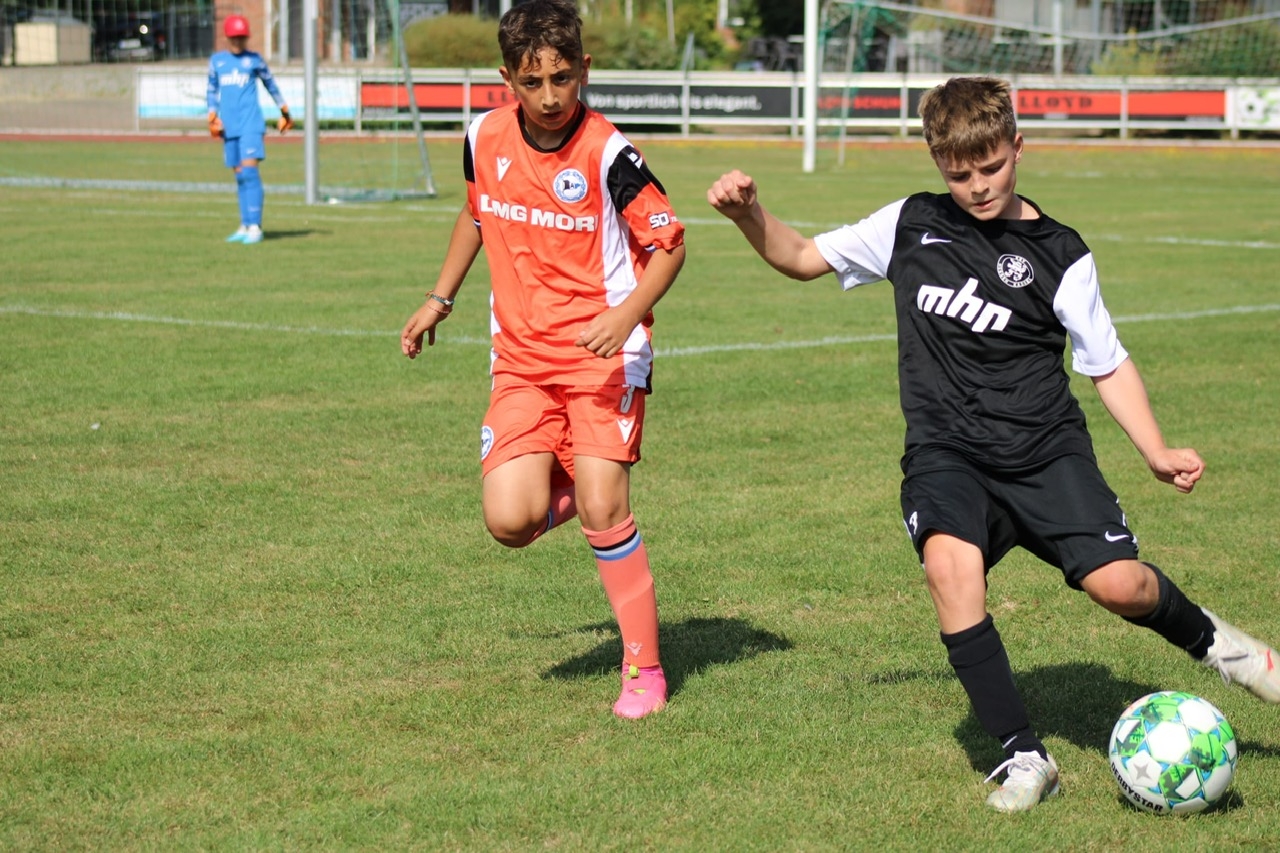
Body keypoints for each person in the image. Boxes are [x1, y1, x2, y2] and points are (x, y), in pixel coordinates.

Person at [707, 76, 1279, 811]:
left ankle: (1232, 652)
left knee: (1121, 586)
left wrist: (1156, 450)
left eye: (991, 166)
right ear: (937, 163)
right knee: (950, 569)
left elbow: (1105, 361)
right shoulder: (910, 223)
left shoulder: (1060, 253)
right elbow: (800, 256)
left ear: (1018, 147)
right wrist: (749, 215)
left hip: (1044, 452)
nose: (977, 186)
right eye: (959, 173)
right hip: (947, 453)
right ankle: (1023, 755)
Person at [400, 0, 685, 719]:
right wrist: (439, 298)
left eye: (563, 78)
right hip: (522, 360)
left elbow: (669, 244)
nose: (551, 96)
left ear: (584, 68)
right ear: (507, 79)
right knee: (509, 522)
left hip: (602, 359)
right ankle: (582, 476)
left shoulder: (609, 153)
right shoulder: (483, 137)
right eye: (533, 82)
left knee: (604, 510)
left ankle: (645, 670)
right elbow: (477, 214)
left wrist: (624, 316)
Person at [207, 13, 292, 245]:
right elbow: (211, 90)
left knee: (250, 173)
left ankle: (255, 226)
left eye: (242, 37)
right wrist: (212, 115)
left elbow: (271, 84)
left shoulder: (254, 60)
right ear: (227, 37)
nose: (238, 41)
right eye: (234, 37)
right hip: (229, 127)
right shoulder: (217, 62)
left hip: (251, 125)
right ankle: (245, 224)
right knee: (240, 177)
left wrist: (284, 110)